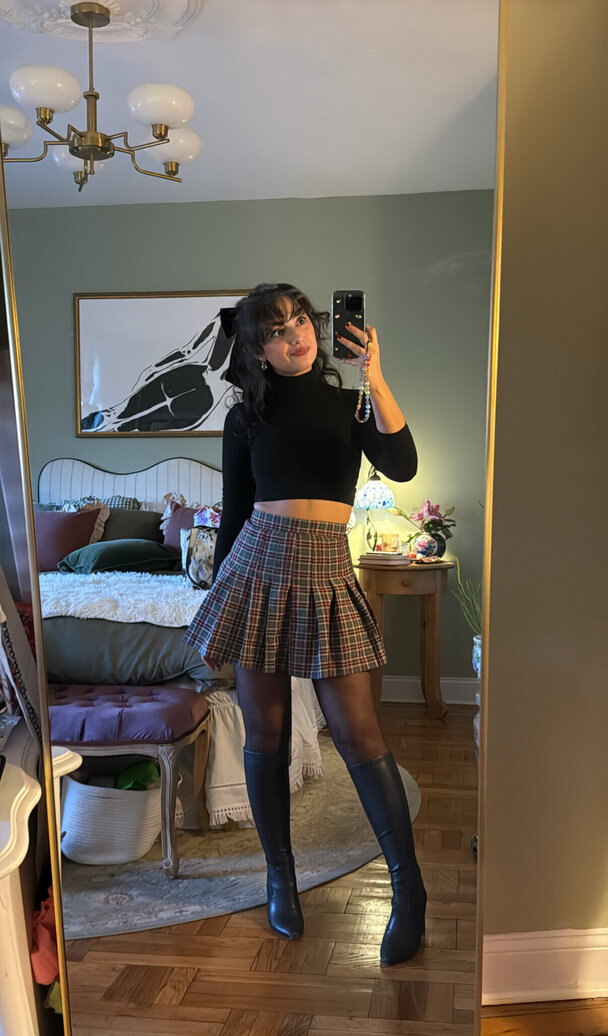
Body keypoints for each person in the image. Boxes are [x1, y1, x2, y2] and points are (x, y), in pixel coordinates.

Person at [184, 283, 426, 966]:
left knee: (358, 734)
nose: (295, 336)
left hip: (325, 571)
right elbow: (234, 514)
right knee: (265, 732)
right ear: (257, 350)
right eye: (276, 330)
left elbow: (403, 465)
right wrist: (217, 608)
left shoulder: (352, 403)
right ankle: (279, 877)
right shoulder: (245, 417)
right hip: (256, 570)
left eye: (300, 321)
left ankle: (409, 890)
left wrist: (375, 375)